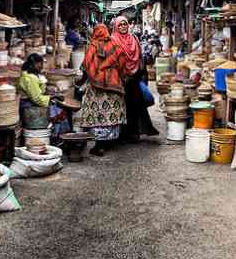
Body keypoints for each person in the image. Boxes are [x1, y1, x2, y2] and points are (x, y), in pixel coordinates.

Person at [79, 24, 127, 156]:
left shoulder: (92, 46)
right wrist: (117, 74)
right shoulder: (115, 45)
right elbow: (123, 63)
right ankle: (108, 142)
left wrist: (84, 80)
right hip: (114, 84)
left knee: (97, 114)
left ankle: (99, 145)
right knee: (111, 113)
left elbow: (86, 66)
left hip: (96, 87)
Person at [111, 16, 158, 140]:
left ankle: (134, 133)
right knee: (121, 106)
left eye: (124, 24)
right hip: (120, 78)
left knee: (135, 106)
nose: (122, 27)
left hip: (135, 77)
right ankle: (122, 134)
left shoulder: (134, 39)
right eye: (119, 25)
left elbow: (139, 58)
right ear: (116, 26)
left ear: (128, 25)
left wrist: (140, 75)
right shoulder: (113, 40)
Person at [17, 53, 69, 138]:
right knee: (57, 110)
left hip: (32, 102)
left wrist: (50, 92)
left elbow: (40, 91)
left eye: (41, 64)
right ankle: (57, 135)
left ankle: (59, 134)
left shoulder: (32, 75)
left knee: (57, 107)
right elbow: (37, 98)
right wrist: (54, 97)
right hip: (28, 105)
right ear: (32, 65)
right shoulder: (30, 78)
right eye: (39, 64)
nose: (41, 66)